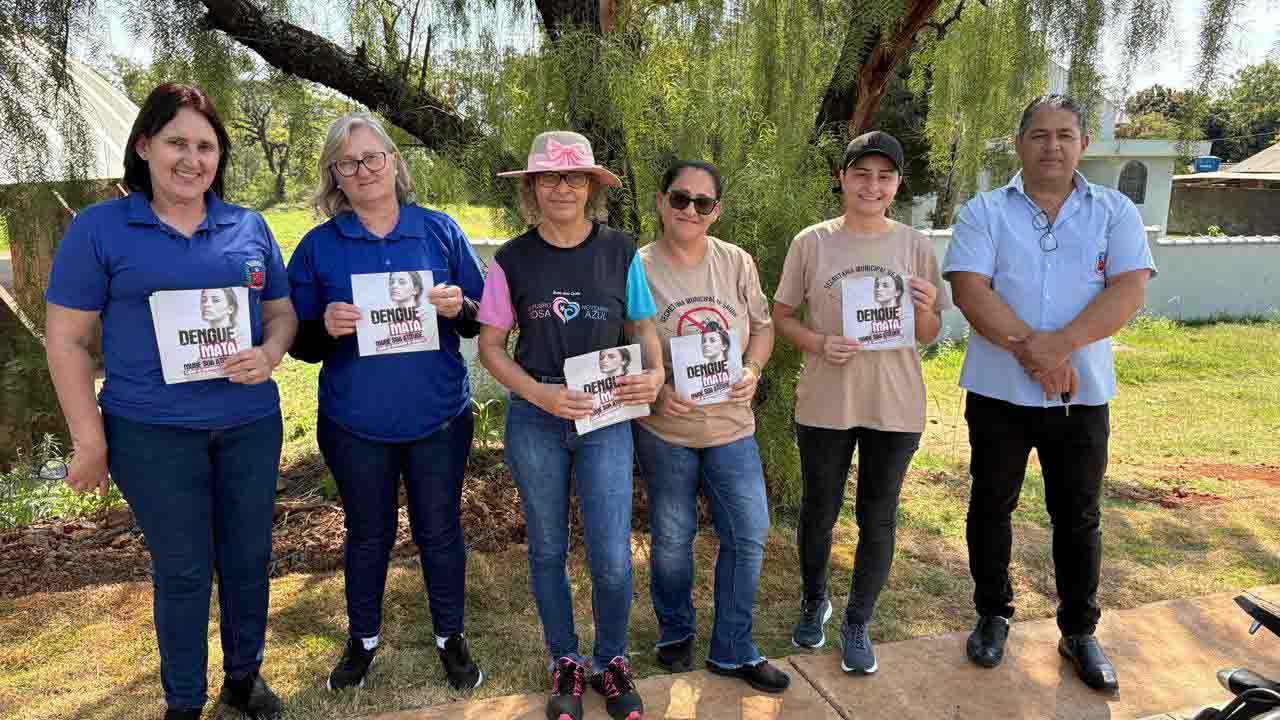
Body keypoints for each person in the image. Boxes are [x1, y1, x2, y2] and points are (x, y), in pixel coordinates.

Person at [44, 83, 298, 720]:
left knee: (248, 559)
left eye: (206, 146)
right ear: (144, 146)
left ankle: (244, 679)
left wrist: (268, 355)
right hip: (151, 432)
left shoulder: (248, 226)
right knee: (184, 569)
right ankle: (183, 701)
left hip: (248, 425)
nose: (192, 159)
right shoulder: (100, 229)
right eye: (177, 142)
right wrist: (89, 440)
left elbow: (282, 313)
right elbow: (69, 340)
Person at [942, 95, 1153, 693]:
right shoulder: (985, 211)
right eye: (1039, 135)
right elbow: (969, 290)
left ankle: (1079, 630)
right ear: (1019, 144)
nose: (1052, 146)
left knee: (1079, 514)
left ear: (1083, 144)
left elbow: (1128, 291)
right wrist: (1034, 350)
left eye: (1064, 134)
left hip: (1080, 398)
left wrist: (1061, 346)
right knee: (990, 506)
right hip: (997, 393)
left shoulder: (1115, 212)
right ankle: (992, 614)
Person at [286, 113, 487, 693]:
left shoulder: (439, 231)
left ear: (395, 162)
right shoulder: (320, 247)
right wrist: (323, 325)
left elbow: (480, 322)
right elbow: (298, 344)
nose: (363, 170)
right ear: (335, 178)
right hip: (355, 423)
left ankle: (451, 636)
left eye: (373, 157)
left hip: (439, 416)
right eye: (348, 164)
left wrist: (459, 308)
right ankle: (362, 640)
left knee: (440, 529)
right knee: (367, 532)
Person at [477, 130, 663, 720]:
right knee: (548, 548)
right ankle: (565, 660)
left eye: (574, 177)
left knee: (611, 553)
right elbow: (492, 347)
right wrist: (539, 394)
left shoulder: (620, 252)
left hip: (607, 419)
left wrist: (655, 375)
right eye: (550, 178)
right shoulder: (511, 260)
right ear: (532, 189)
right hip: (537, 419)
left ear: (590, 187)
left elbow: (643, 329)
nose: (562, 188)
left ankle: (610, 662)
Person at [773, 131, 949, 675]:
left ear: (897, 183)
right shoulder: (812, 242)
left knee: (878, 517)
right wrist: (819, 343)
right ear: (843, 177)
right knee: (819, 511)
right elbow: (780, 317)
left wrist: (924, 308)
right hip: (826, 399)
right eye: (862, 173)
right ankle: (813, 601)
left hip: (894, 405)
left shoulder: (916, 244)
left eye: (885, 176)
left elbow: (928, 333)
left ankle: (857, 622)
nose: (872, 185)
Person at [632, 160, 789, 692]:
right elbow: (620, 345)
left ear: (716, 211)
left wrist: (752, 368)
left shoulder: (737, 263)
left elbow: (763, 330)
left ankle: (733, 647)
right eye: (680, 199)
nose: (690, 210)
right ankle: (675, 631)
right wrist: (655, 393)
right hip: (667, 430)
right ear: (661, 202)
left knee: (748, 534)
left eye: (703, 203)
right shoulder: (638, 267)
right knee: (673, 539)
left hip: (731, 427)